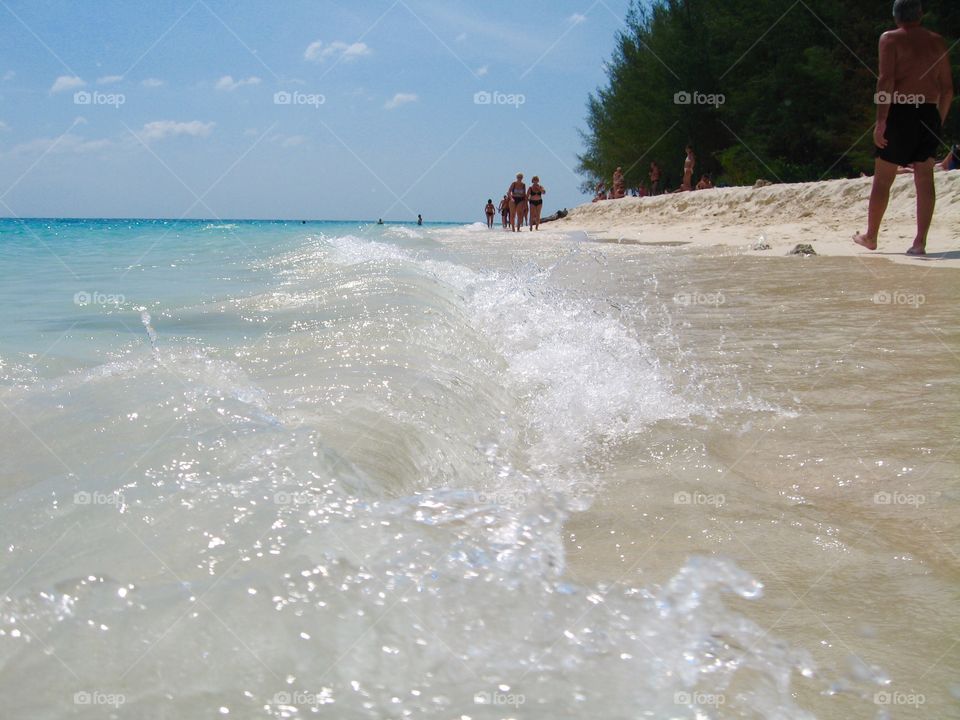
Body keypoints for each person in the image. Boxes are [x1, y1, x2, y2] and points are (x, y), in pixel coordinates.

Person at [854, 0, 953, 256]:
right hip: (929, 111)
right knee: (924, 178)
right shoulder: (937, 41)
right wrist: (938, 120)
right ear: (920, 14)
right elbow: (947, 88)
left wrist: (881, 121)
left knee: (883, 179)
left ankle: (871, 236)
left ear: (896, 16)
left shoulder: (890, 39)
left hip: (900, 112)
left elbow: (885, 81)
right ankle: (920, 242)